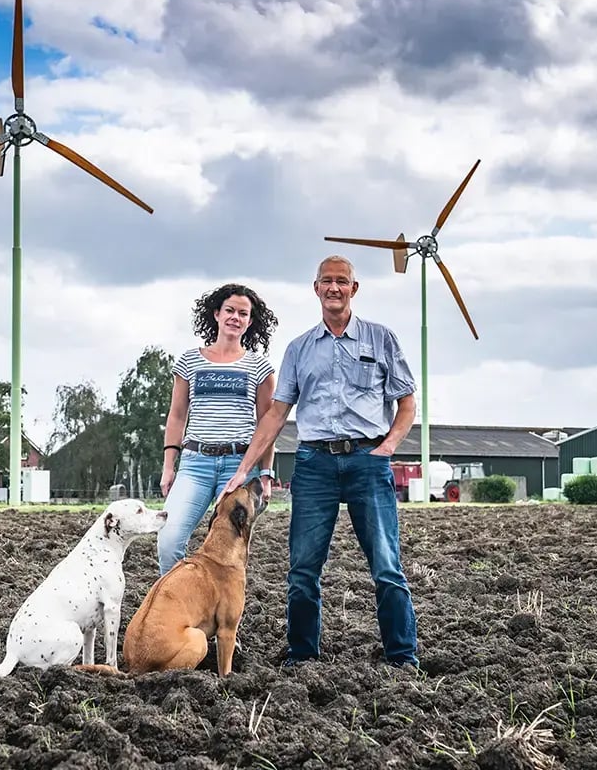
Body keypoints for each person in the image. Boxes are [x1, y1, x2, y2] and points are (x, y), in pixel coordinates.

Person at [223, 255, 420, 669]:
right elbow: (276, 414)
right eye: (326, 281)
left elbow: (406, 402)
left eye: (342, 281)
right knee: (303, 569)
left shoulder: (381, 339)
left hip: (368, 460)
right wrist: (245, 468)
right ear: (316, 289)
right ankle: (302, 655)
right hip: (315, 465)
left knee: (386, 564)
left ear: (354, 288)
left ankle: (403, 656)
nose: (334, 288)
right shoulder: (298, 349)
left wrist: (389, 445)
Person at [156, 283, 280, 576]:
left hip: (238, 466)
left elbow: (268, 425)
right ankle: (175, 609)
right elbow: (176, 416)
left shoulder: (260, 367)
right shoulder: (190, 360)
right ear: (216, 314)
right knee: (169, 539)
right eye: (230, 310)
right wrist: (168, 466)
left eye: (243, 313)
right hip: (195, 464)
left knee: (228, 551)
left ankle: (223, 616)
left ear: (250, 322)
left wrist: (265, 474)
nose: (235, 317)